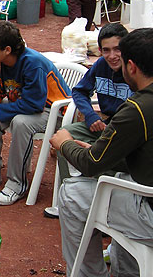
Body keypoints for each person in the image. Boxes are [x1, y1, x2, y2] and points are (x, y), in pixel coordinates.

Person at [50, 28, 153, 277]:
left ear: (131, 66)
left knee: (73, 194)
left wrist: (65, 142)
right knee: (121, 183)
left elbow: (91, 164)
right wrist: (97, 152)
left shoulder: (137, 108)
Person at [0, 21, 70, 205]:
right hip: (27, 106)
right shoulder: (1, 63)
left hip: (55, 113)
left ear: (7, 49)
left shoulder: (33, 63)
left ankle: (17, 184)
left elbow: (34, 105)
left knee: (20, 122)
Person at [54, 23, 133, 185]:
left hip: (125, 132)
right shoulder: (101, 65)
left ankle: (100, 195)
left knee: (106, 155)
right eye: (106, 50)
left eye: (117, 49)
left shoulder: (134, 70)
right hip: (105, 126)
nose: (112, 56)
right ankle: (67, 191)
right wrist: (89, 115)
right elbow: (79, 91)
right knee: (64, 135)